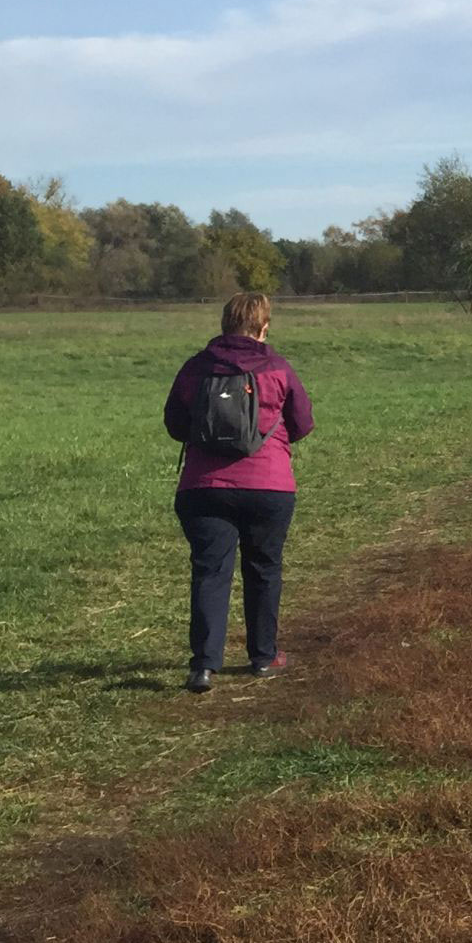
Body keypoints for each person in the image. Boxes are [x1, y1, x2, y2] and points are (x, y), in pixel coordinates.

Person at [164, 292, 314, 693]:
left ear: (224, 324)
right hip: (269, 485)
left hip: (203, 486)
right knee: (264, 569)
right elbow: (302, 423)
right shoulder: (277, 367)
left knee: (210, 573)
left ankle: (204, 667)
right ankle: (264, 657)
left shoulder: (197, 367)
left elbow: (175, 424)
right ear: (264, 327)